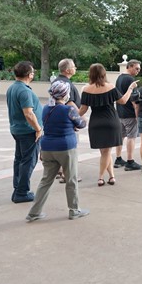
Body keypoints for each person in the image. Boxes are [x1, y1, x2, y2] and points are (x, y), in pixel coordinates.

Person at [26, 81, 89, 222]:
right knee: (71, 179)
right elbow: (81, 123)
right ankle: (74, 210)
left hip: (47, 147)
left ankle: (34, 212)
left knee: (46, 180)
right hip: (66, 147)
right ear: (65, 94)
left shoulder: (46, 109)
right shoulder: (68, 109)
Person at [79, 63, 138, 186]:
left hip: (95, 123)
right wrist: (130, 88)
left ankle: (112, 176)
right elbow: (123, 101)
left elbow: (82, 111)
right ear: (103, 73)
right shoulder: (110, 87)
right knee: (106, 152)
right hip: (111, 121)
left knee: (104, 152)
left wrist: (69, 114)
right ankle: (101, 177)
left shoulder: (86, 89)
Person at [6, 61, 43, 203]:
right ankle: (21, 192)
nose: (33, 74)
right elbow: (28, 113)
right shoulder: (24, 91)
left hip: (17, 129)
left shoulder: (13, 88)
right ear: (29, 74)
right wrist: (38, 129)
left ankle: (18, 188)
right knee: (28, 161)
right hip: (28, 132)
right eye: (33, 72)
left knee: (20, 160)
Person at [53, 58, 82, 183]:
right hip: (68, 122)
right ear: (67, 70)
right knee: (70, 150)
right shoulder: (66, 84)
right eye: (74, 66)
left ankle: (60, 171)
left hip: (58, 120)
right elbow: (69, 103)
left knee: (60, 147)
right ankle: (67, 174)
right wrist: (78, 117)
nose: (75, 68)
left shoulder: (56, 81)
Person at [114, 59, 142, 170]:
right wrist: (137, 115)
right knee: (131, 137)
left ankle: (118, 159)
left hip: (120, 112)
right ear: (129, 66)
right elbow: (134, 100)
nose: (138, 71)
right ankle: (130, 161)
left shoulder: (119, 78)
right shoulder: (131, 80)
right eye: (136, 68)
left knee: (121, 136)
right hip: (129, 113)